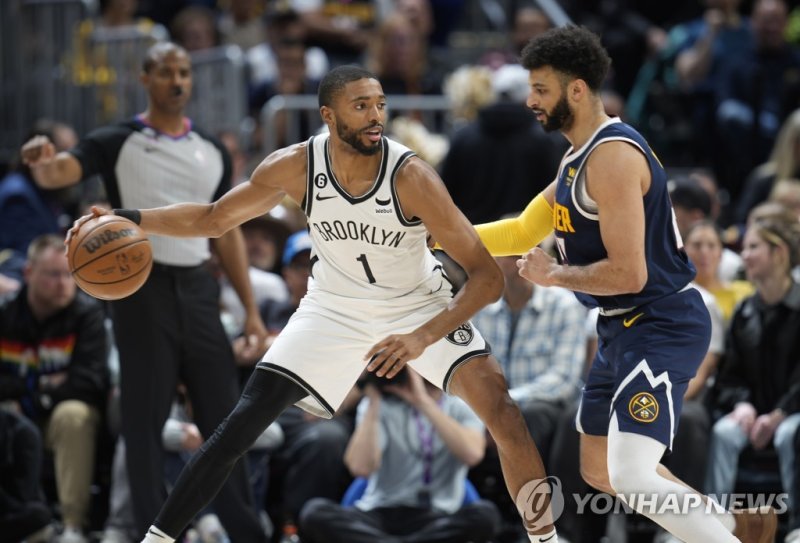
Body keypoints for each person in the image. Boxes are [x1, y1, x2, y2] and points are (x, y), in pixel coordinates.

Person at [66, 64, 561, 543]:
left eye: (380, 105)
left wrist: (420, 337)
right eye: (361, 105)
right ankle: (157, 539)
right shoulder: (295, 165)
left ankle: (546, 539)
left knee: (502, 410)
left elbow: (486, 278)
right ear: (328, 114)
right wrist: (128, 217)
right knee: (241, 423)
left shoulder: (412, 176)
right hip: (333, 307)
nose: (375, 116)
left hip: (416, 305)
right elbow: (214, 219)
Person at [468, 25, 776, 542]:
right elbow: (522, 230)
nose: (530, 101)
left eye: (541, 89)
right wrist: (432, 235)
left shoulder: (611, 156)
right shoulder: (576, 158)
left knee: (633, 473)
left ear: (577, 90)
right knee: (601, 471)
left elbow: (630, 273)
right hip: (620, 326)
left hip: (661, 321)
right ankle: (731, 525)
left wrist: (555, 275)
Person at [20, 42, 270, 542]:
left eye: (184, 72)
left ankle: (246, 533)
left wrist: (250, 312)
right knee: (143, 427)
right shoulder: (118, 139)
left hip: (200, 287)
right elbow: (63, 169)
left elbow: (227, 229)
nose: (177, 81)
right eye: (166, 72)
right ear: (145, 79)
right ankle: (155, 535)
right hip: (138, 288)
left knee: (228, 420)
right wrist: (43, 163)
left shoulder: (212, 149)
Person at [299, 367, 501, 543]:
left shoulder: (459, 406)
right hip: (378, 512)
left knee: (485, 515)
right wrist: (374, 400)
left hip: (437, 515)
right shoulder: (378, 407)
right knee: (314, 512)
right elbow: (361, 468)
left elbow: (472, 454)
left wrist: (422, 401)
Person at [0, 234, 109, 543]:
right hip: (12, 414)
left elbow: (89, 382)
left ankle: (73, 525)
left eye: (70, 275)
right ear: (28, 273)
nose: (63, 283)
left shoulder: (87, 315)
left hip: (56, 415)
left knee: (73, 414)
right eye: (53, 274)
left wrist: (29, 397)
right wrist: (43, 384)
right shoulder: (5, 313)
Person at [706, 215, 800, 539]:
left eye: (754, 247)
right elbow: (729, 376)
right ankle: (714, 525)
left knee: (790, 435)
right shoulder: (744, 312)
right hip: (752, 415)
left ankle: (797, 528)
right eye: (744, 248)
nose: (744, 255)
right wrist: (743, 405)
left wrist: (778, 414)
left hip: (792, 414)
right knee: (722, 432)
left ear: (780, 253)